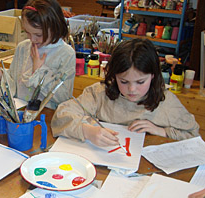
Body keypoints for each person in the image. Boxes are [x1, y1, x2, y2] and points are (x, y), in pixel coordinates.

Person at [51, 38, 200, 147]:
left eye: (140, 82)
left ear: (153, 76)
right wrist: (87, 131)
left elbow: (194, 136)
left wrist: (162, 131)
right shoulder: (99, 93)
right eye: (124, 81)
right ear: (114, 76)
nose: (132, 89)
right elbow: (60, 116)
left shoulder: (166, 101)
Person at [0, 0, 76, 109]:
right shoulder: (23, 47)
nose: (32, 39)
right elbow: (14, 88)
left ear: (54, 27)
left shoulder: (66, 54)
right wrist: (0, 80)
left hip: (46, 118)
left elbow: (63, 97)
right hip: (20, 113)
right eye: (27, 32)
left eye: (38, 34)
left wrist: (39, 71)